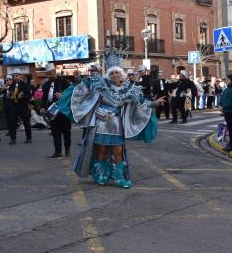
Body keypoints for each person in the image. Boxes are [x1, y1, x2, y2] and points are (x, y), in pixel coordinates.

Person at [57, 49, 164, 188]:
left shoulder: (130, 89)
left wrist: (154, 104)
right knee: (101, 150)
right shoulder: (101, 86)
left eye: (117, 72)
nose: (114, 75)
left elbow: (139, 104)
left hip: (116, 124)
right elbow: (85, 91)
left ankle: (119, 177)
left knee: (117, 151)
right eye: (112, 72)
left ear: (122, 75)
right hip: (101, 123)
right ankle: (101, 174)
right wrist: (77, 79)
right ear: (108, 75)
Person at [41, 62, 71, 159]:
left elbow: (71, 94)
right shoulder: (46, 85)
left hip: (63, 111)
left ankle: (67, 147)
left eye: (51, 73)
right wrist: (42, 106)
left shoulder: (64, 82)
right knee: (55, 131)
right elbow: (44, 97)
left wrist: (62, 95)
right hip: (52, 111)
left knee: (66, 131)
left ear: (54, 71)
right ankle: (58, 151)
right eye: (48, 74)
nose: (49, 75)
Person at [6, 69, 32, 145]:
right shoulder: (12, 85)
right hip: (14, 106)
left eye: (17, 75)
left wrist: (22, 97)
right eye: (14, 76)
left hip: (23, 106)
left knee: (26, 122)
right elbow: (9, 95)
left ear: (20, 76)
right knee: (12, 122)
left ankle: (29, 137)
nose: (15, 77)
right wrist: (10, 96)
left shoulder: (24, 85)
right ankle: (13, 138)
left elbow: (29, 96)